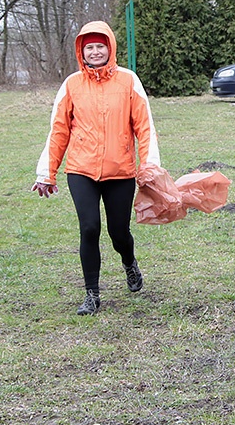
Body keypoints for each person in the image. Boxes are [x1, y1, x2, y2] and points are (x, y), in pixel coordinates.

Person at [32, 21, 160, 316]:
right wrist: (46, 172)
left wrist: (149, 165)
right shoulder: (71, 85)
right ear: (81, 51)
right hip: (81, 170)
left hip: (120, 171)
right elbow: (58, 130)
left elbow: (145, 126)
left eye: (100, 45)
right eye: (89, 47)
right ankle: (92, 294)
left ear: (110, 47)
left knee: (119, 232)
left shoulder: (129, 81)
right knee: (89, 228)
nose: (95, 51)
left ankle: (129, 263)